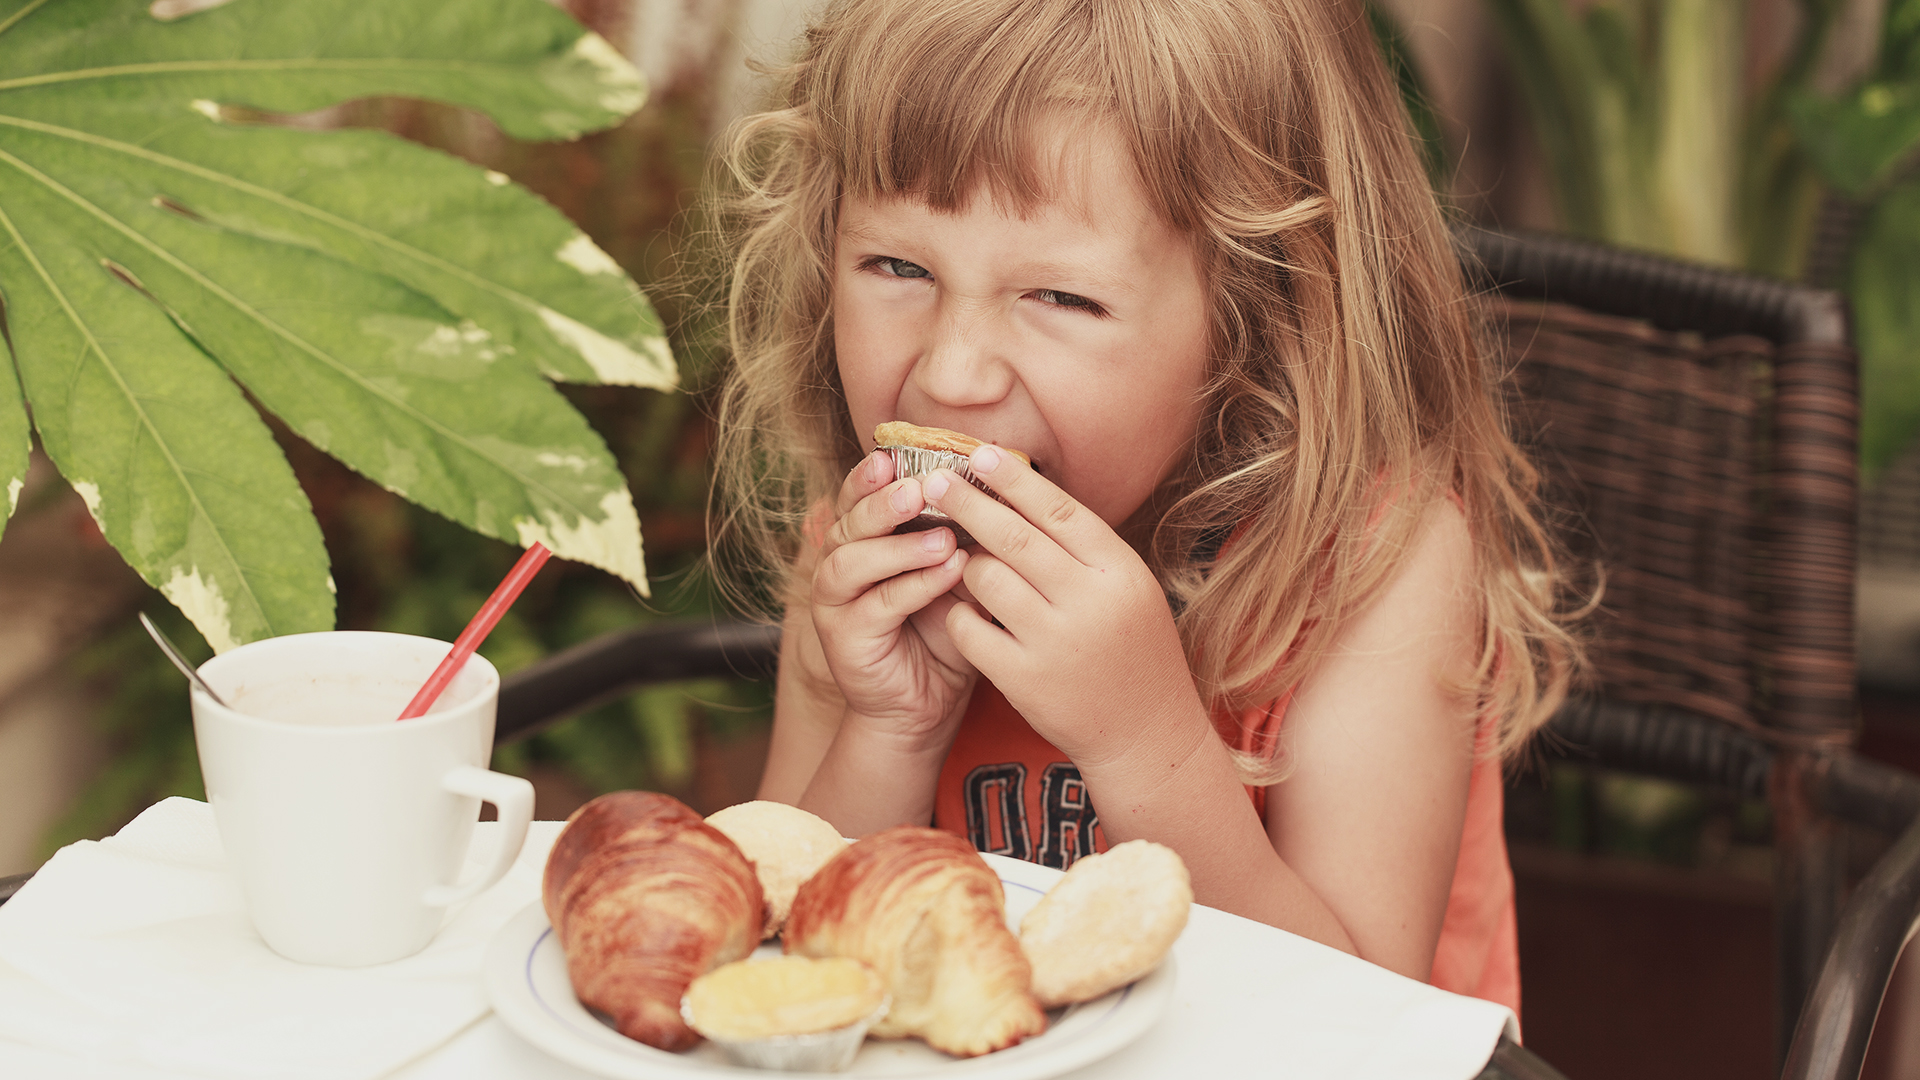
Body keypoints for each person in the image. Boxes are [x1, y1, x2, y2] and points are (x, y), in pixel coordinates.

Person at [707, 0, 1581, 1017]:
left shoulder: (1374, 568)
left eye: (1061, 299)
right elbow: (777, 976)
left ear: (1260, 315)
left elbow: (1353, 1026)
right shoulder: (863, 557)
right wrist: (888, 731)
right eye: (899, 267)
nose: (950, 375)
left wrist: (1145, 745)